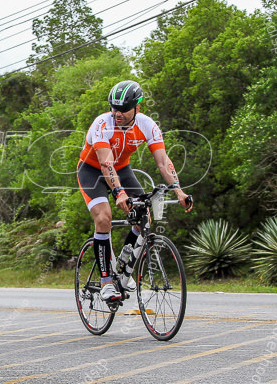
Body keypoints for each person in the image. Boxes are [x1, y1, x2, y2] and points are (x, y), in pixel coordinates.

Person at [76, 80, 193, 304]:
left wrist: (178, 190)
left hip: (122, 169)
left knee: (143, 218)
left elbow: (162, 162)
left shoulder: (147, 125)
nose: (117, 113)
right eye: (114, 108)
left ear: (137, 108)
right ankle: (106, 281)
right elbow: (105, 163)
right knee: (104, 218)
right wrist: (119, 192)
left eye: (123, 109)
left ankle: (124, 268)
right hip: (93, 171)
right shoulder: (102, 124)